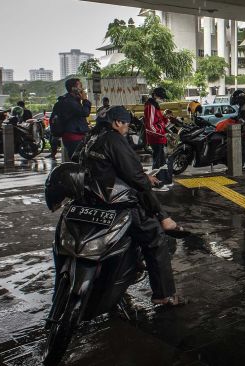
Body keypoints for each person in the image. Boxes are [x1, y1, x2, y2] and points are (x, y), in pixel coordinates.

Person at [75, 105, 185, 306]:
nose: (127, 129)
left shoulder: (89, 138)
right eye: (126, 125)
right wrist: (162, 215)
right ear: (118, 123)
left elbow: (85, 165)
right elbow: (137, 180)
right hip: (116, 206)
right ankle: (165, 295)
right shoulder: (115, 140)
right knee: (154, 238)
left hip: (88, 204)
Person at [53, 78, 91, 160]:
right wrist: (85, 100)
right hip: (74, 136)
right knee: (78, 161)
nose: (82, 88)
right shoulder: (70, 102)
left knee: (79, 160)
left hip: (74, 135)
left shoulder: (70, 100)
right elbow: (85, 112)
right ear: (73, 88)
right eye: (80, 86)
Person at [144, 87, 173, 191]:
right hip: (156, 138)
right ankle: (155, 183)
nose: (162, 99)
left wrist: (166, 120)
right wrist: (161, 133)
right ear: (155, 95)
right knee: (158, 161)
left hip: (159, 137)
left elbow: (158, 121)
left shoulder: (154, 106)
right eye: (161, 97)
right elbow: (150, 125)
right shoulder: (150, 106)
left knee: (161, 160)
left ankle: (162, 181)